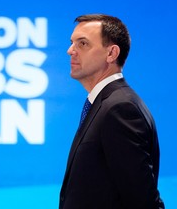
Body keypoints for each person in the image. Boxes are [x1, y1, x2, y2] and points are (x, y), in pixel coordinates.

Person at [59, 14, 165, 209]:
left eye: (82, 44)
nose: (70, 51)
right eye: (72, 42)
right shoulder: (105, 104)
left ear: (111, 53)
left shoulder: (120, 109)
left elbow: (143, 201)